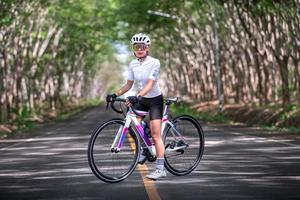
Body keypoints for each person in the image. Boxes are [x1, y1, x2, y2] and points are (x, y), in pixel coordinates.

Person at [106, 33, 166, 180]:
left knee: (156, 134)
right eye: (136, 46)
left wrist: (137, 96)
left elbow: (151, 84)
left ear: (147, 48)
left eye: (142, 46)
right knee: (134, 122)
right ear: (133, 49)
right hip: (142, 99)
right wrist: (115, 94)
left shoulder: (155, 62)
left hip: (155, 100)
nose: (139, 49)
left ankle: (160, 169)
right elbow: (128, 84)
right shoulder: (133, 64)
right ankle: (146, 149)